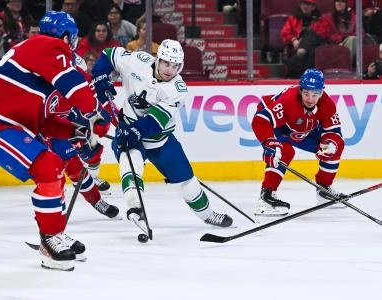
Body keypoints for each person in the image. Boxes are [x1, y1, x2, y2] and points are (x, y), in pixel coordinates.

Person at [0, 11, 111, 271]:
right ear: (65, 37)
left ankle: (53, 235)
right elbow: (75, 86)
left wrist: (77, 129)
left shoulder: (38, 72)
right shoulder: (46, 44)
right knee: (48, 166)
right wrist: (95, 112)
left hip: (7, 123)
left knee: (55, 165)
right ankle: (50, 239)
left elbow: (45, 123)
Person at [90, 39, 233, 230]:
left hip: (160, 140)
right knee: (131, 166)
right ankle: (135, 208)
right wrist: (100, 77)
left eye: (175, 66)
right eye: (166, 63)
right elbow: (109, 55)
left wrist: (132, 131)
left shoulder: (178, 89)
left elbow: (155, 121)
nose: (169, 70)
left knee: (187, 184)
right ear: (158, 59)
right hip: (129, 131)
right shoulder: (137, 61)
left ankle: (208, 215)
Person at [252, 68, 346, 216]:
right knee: (285, 151)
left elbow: (334, 133)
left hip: (302, 130)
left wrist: (330, 144)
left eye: (315, 94)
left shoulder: (327, 105)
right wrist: (269, 143)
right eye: (307, 93)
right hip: (279, 127)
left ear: (322, 93)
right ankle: (267, 196)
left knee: (337, 145)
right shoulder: (288, 101)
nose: (310, 99)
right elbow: (261, 120)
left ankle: (324, 189)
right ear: (301, 90)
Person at [281, 0, 330, 78]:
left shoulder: (320, 20)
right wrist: (293, 39)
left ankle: (297, 57)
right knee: (308, 40)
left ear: (313, 7)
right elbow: (284, 33)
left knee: (310, 32)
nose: (305, 6)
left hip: (316, 49)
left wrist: (305, 41)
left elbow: (324, 35)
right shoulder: (293, 19)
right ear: (300, 5)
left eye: (308, 4)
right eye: (303, 4)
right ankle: (300, 55)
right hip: (297, 48)